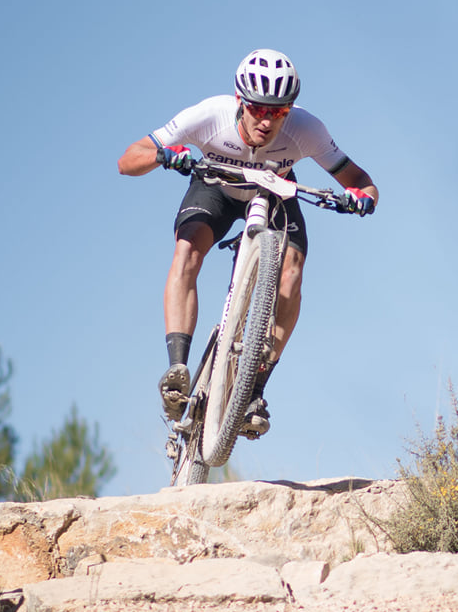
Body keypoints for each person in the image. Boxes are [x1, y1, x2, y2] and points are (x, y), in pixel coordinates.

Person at [116, 49, 379, 438]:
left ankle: (254, 389)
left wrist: (362, 199)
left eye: (279, 111)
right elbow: (127, 160)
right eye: (258, 109)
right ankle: (177, 369)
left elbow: (360, 180)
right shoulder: (209, 115)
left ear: (290, 109)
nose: (267, 121)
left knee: (292, 273)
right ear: (240, 101)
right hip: (216, 187)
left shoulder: (307, 129)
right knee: (187, 251)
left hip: (274, 193)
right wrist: (163, 156)